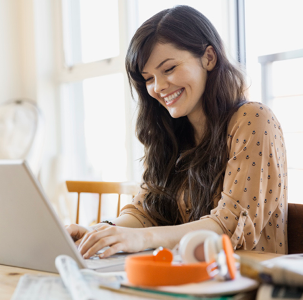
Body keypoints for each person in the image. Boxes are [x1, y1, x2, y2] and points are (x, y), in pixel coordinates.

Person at [65, 5, 288, 259]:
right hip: (188, 282)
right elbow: (145, 210)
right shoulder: (172, 132)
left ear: (209, 57)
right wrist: (99, 232)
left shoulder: (253, 119)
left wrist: (142, 238)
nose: (158, 87)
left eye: (169, 69)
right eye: (148, 78)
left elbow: (228, 225)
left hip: (245, 286)